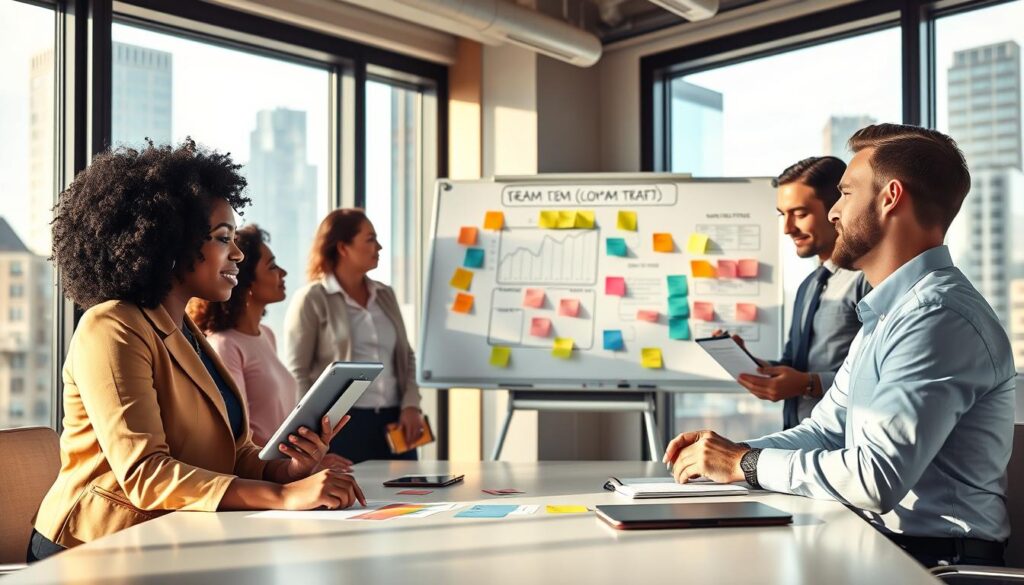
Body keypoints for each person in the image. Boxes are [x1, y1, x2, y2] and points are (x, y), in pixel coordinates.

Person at [664, 124, 1015, 568]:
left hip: (936, 564)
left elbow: (875, 478)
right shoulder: (887, 313)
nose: (833, 212)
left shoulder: (938, 318)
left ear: (890, 197)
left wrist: (745, 463)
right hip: (883, 547)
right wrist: (721, 456)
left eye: (845, 194)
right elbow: (825, 430)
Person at [31, 141, 364, 562]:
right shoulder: (111, 326)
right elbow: (146, 474)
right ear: (171, 241)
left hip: (177, 536)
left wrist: (289, 470)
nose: (238, 252)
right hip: (94, 549)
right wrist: (281, 496)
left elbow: (233, 453)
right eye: (223, 238)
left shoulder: (186, 331)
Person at [188, 225, 352, 475]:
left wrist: (310, 458)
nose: (283, 273)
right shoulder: (224, 345)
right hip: (263, 474)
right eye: (273, 267)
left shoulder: (267, 335)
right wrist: (297, 464)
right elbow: (237, 434)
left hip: (284, 469)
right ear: (246, 282)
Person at [725, 157, 869, 429]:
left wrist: (807, 383)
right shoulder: (808, 286)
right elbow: (794, 365)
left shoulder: (866, 280)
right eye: (783, 214)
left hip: (842, 443)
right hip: (798, 440)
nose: (788, 228)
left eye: (800, 214)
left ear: (836, 210)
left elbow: (877, 374)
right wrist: (755, 365)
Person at [284, 209, 425, 464]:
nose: (379, 247)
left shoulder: (385, 295)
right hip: (341, 425)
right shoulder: (312, 299)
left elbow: (406, 356)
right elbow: (298, 372)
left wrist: (412, 405)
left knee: (409, 497)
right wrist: (310, 430)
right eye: (370, 239)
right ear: (343, 248)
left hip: (396, 422)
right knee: (353, 499)